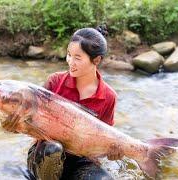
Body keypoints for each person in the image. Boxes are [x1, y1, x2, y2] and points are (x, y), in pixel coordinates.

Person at [27, 26, 124, 180]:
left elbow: (104, 137)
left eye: (77, 58)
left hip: (82, 161)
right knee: (53, 150)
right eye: (68, 55)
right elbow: (32, 120)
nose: (70, 62)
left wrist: (112, 150)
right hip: (45, 153)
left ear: (96, 60)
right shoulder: (54, 82)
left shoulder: (109, 96)